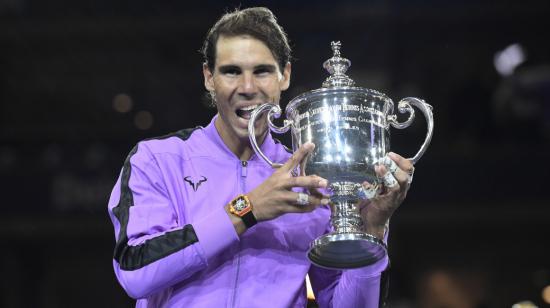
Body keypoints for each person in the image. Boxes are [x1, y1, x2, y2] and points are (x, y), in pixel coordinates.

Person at [107, 7, 414, 308]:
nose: (248, 88)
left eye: (262, 71)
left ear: (285, 76)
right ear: (208, 78)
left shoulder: (310, 179)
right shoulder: (157, 159)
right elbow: (136, 273)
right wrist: (247, 210)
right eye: (231, 71)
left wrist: (371, 232)